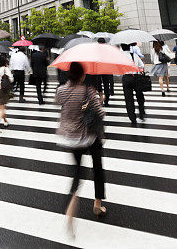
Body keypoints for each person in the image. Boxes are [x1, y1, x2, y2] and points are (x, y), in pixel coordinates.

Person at [55, 62, 107, 233]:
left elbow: (60, 103)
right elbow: (101, 113)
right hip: (88, 137)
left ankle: (70, 206)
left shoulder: (61, 90)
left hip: (70, 137)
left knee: (77, 172)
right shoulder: (88, 91)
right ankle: (97, 204)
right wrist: (100, 100)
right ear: (82, 75)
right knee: (97, 168)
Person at [0, 54, 14, 133]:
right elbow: (11, 80)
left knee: (1, 106)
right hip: (3, 90)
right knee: (2, 108)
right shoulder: (5, 68)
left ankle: (5, 121)